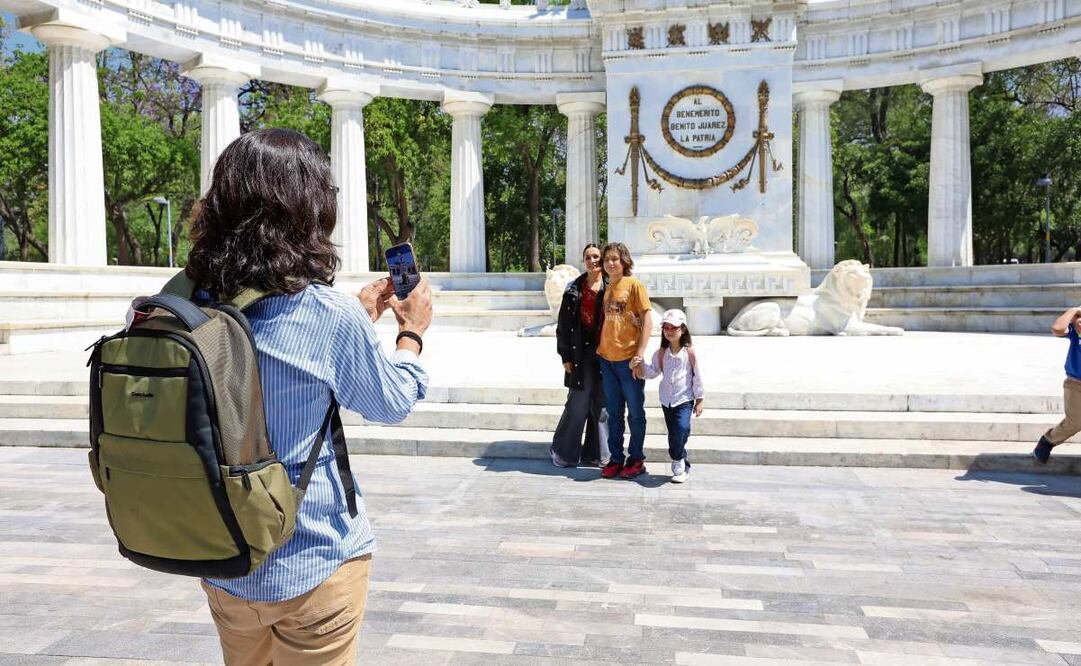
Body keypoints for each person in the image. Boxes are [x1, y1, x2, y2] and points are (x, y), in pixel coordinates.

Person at [186, 128, 432, 665]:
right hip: (312, 561)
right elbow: (392, 401)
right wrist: (410, 334)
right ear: (309, 208)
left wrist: (355, 318)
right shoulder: (325, 315)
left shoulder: (186, 302)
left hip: (222, 560)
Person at [596, 242, 653, 479]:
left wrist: (639, 354)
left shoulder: (634, 285)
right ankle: (616, 458)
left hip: (629, 360)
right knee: (614, 412)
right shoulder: (608, 287)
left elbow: (647, 318)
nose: (610, 263)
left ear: (624, 261)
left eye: (615, 259)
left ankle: (636, 458)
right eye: (607, 259)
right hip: (607, 358)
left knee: (636, 413)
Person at [551, 243, 608, 468]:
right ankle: (563, 452)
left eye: (596, 257)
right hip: (580, 353)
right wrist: (565, 356)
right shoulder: (574, 288)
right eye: (588, 257)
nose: (593, 261)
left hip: (606, 355)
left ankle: (599, 454)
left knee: (603, 405)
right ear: (583, 260)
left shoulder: (613, 286)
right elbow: (563, 326)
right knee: (578, 403)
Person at [633, 309, 704, 483]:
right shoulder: (661, 353)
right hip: (667, 400)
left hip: (685, 398)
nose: (670, 331)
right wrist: (640, 363)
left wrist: (700, 399)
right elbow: (652, 372)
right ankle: (679, 459)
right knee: (674, 432)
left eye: (674, 327)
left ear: (683, 329)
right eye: (666, 327)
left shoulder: (690, 353)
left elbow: (697, 376)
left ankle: (679, 459)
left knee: (682, 428)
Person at [1033, 305, 1081, 463]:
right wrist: (1073, 310)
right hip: (1076, 384)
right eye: (1078, 319)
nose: (1080, 322)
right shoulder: (1074, 334)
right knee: (1074, 423)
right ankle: (1048, 440)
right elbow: (1057, 329)